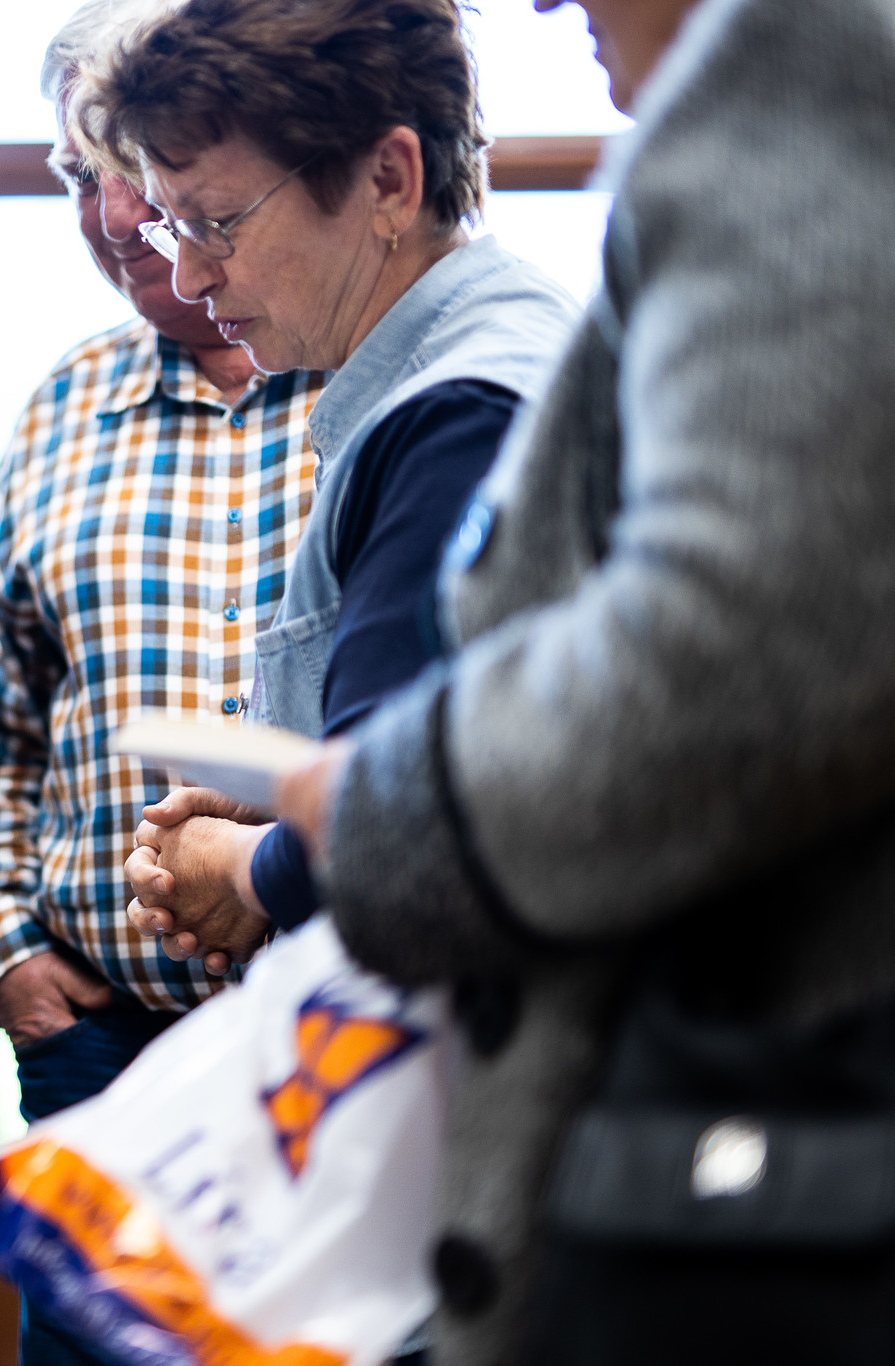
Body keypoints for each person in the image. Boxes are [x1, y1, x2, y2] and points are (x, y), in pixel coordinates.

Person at [264, 0, 895, 1360]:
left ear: (389, 182)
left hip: (776, 1174)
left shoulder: (804, 53)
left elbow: (741, 644)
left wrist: (385, 805)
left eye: (213, 217)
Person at [0, 5, 331, 1360]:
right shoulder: (60, 408)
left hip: (327, 1047)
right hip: (98, 1049)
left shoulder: (375, 382)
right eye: (73, 170)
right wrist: (7, 958)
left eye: (132, 164)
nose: (108, 208)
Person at [74, 0, 576, 967]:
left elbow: (411, 831)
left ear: (389, 180)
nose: (187, 278)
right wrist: (280, 788)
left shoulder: (461, 415)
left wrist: (248, 863)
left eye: (216, 224)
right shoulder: (464, 363)